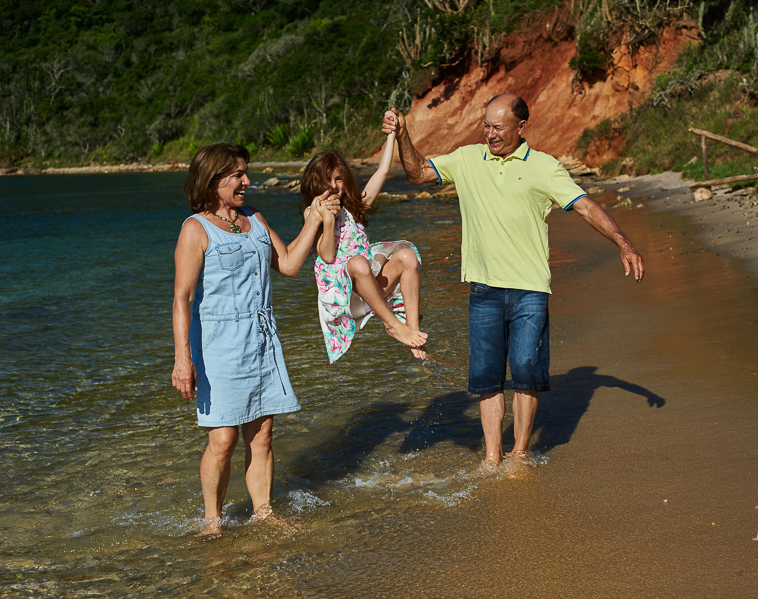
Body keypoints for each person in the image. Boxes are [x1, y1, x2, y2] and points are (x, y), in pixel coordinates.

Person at [382, 94, 645, 472]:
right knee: (486, 379)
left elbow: (585, 206)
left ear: (521, 127)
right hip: (483, 289)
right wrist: (404, 134)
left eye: (498, 128)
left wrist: (623, 242)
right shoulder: (468, 159)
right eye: (486, 126)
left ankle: (520, 454)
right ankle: (493, 457)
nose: (490, 134)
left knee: (525, 371)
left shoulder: (544, 167)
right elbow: (419, 172)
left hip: (530, 290)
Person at [171, 143, 337, 538]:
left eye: (246, 172)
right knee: (223, 438)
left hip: (262, 339)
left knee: (261, 433)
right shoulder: (196, 229)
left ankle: (263, 513)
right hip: (219, 344)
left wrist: (315, 219)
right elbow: (182, 297)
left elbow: (290, 264)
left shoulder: (255, 218)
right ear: (214, 180)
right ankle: (212, 519)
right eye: (238, 175)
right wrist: (182, 359)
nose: (247, 181)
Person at [299, 127, 427, 363]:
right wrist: (328, 220)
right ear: (315, 183)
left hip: (369, 288)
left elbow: (383, 171)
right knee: (358, 262)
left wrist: (392, 135)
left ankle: (412, 328)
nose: (334, 186)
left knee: (407, 255)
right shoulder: (312, 212)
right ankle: (392, 324)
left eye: (338, 179)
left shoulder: (353, 209)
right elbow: (327, 256)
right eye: (327, 180)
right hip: (343, 296)